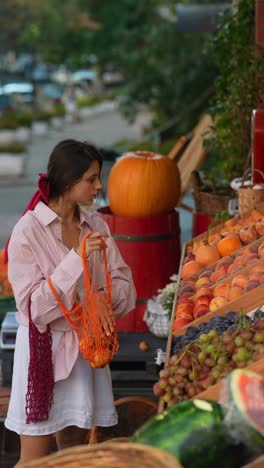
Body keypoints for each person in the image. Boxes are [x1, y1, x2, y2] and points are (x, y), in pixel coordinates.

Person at [4, 139, 136, 465]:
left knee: (75, 457)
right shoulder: (28, 231)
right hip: (42, 353)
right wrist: (76, 259)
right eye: (91, 178)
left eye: (98, 177)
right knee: (33, 460)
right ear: (67, 181)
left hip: (85, 351)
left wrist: (101, 301)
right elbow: (34, 309)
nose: (99, 186)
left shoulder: (97, 225)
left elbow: (126, 287)